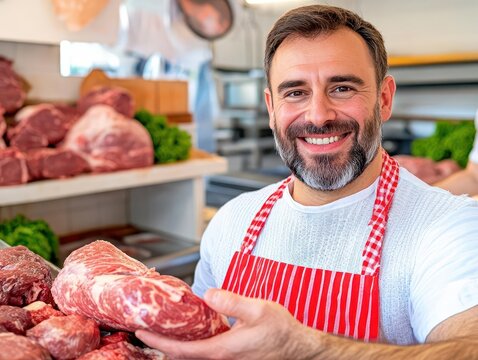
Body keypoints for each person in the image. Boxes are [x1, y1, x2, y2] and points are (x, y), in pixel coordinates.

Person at [136, 5, 478, 359]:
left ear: (384, 98)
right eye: (295, 93)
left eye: (342, 88)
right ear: (271, 108)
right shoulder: (232, 221)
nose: (318, 116)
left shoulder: (446, 227)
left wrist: (305, 349)